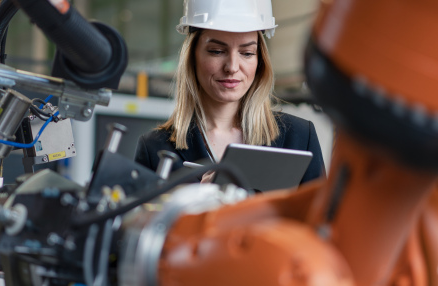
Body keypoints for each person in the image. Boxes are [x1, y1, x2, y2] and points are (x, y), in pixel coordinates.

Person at [134, 0, 325, 185]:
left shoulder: (299, 138)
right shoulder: (155, 149)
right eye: (217, 51)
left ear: (260, 61)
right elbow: (141, 217)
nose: (232, 67)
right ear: (192, 56)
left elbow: (321, 216)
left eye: (247, 53)